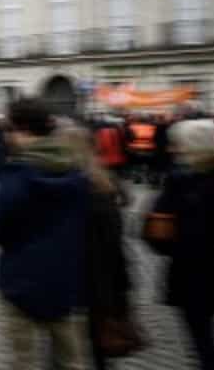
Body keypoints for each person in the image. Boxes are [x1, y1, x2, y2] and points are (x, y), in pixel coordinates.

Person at [0, 97, 89, 370]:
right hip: (66, 280)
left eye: (8, 129)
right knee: (71, 361)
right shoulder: (76, 173)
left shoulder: (18, 176)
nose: (6, 137)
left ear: (23, 130)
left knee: (23, 361)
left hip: (22, 280)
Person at [153, 119, 214, 370]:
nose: (173, 149)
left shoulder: (180, 182)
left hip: (195, 267)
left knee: (202, 333)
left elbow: (158, 234)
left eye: (178, 144)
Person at [60, 125, 137, 369]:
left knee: (69, 349)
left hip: (79, 282)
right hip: (103, 283)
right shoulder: (104, 182)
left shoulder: (69, 187)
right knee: (97, 350)